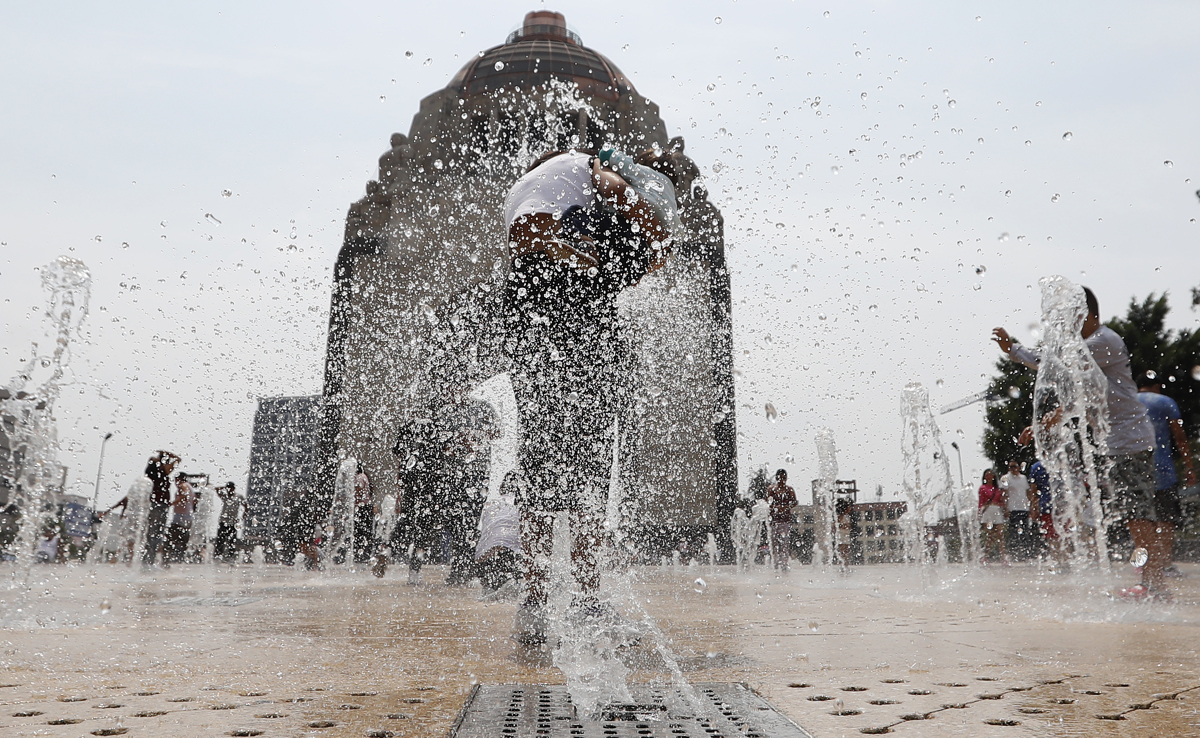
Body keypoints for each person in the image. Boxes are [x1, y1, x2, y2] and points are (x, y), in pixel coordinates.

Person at [504, 147, 673, 643]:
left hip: (551, 324)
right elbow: (531, 233)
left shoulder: (546, 190)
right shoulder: (576, 171)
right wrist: (642, 232)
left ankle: (555, 602)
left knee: (565, 466)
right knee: (571, 467)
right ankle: (565, 600)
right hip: (555, 326)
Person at [994, 286, 1162, 598]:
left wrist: (1015, 351)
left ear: (1084, 313)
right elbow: (1082, 392)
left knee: (1140, 518)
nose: (1066, 322)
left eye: (1070, 314)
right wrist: (1049, 418)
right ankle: (1151, 583)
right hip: (1123, 442)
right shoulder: (1093, 345)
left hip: (1130, 441)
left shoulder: (1102, 341)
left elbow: (1055, 363)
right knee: (1136, 517)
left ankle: (1152, 585)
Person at [1136, 371, 1196, 577]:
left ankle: (1143, 564)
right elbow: (1179, 435)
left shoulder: (1129, 401)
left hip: (1135, 468)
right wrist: (1189, 466)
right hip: (1162, 469)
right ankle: (1165, 564)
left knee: (1139, 518)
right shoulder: (1165, 402)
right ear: (1157, 386)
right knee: (1166, 518)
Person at [476, 470, 523, 596]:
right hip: (513, 559)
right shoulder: (522, 507)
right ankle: (515, 584)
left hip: (487, 559)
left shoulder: (490, 506)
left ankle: (489, 587)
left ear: (501, 488)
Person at [141, 450, 180, 569]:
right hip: (158, 505)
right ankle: (148, 562)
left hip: (157, 505)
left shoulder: (155, 470)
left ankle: (148, 561)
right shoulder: (161, 471)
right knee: (155, 534)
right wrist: (170, 455)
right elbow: (178, 460)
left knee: (153, 534)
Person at [999, 461, 1034, 559]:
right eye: (1010, 467)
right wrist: (1005, 508)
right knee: (1014, 531)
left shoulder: (1023, 478)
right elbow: (1004, 494)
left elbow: (1028, 492)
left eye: (1014, 466)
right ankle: (1014, 552)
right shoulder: (1006, 478)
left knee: (1025, 530)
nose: (1012, 469)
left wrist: (1031, 506)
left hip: (1024, 508)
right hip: (1013, 508)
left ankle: (1026, 553)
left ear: (1018, 467)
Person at [765, 469, 797, 570]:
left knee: (784, 543)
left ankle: (784, 564)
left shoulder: (789, 490)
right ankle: (775, 563)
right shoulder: (771, 489)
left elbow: (795, 502)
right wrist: (775, 507)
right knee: (774, 543)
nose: (781, 480)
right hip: (774, 521)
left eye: (783, 478)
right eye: (779, 478)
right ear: (776, 478)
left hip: (785, 520)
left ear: (786, 478)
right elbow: (767, 502)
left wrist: (786, 507)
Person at [164, 473, 195, 564]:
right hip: (188, 517)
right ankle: (179, 559)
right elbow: (194, 500)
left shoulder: (183, 485)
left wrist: (172, 503)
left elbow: (185, 496)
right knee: (182, 540)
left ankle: (166, 561)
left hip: (180, 517)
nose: (175, 483)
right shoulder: (191, 487)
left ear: (180, 479)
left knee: (169, 539)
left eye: (176, 480)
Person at [978, 469, 1007, 563]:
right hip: (988, 511)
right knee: (990, 536)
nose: (989, 477)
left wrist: (1004, 508)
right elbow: (981, 501)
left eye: (990, 475)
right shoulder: (982, 488)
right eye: (987, 475)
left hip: (997, 510)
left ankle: (1003, 557)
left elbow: (1001, 500)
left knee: (1000, 534)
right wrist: (979, 512)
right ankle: (985, 556)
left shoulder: (997, 489)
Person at [351, 464, 375, 565]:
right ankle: (366, 555)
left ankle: (359, 557)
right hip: (367, 507)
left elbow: (358, 491)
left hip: (361, 507)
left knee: (359, 531)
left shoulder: (359, 477)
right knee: (366, 532)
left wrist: (353, 503)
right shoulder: (365, 476)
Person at [214, 482, 242, 563]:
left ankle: (231, 558)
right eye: (228, 488)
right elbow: (216, 489)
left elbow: (246, 506)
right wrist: (224, 487)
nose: (229, 490)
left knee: (232, 541)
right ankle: (218, 557)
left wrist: (241, 517)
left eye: (230, 488)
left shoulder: (238, 497)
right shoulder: (225, 496)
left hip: (233, 522)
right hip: (223, 521)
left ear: (233, 489)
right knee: (220, 540)